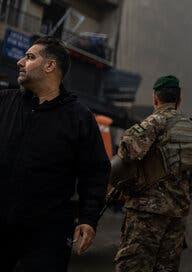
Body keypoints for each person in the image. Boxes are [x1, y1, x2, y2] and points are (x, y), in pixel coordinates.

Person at [0, 36, 110, 271]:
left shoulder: (79, 117)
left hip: (47, 236)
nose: (20, 62)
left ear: (50, 66)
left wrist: (88, 219)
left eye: (29, 57)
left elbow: (95, 172)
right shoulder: (5, 103)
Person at [113, 75, 192, 271]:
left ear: (155, 99)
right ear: (179, 100)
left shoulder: (155, 121)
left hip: (147, 212)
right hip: (177, 215)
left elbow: (126, 151)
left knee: (133, 266)